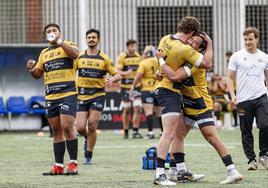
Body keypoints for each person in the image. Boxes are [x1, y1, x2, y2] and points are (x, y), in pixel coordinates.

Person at [156, 31, 242, 184]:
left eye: (195, 42)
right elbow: (167, 72)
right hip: (188, 103)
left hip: (200, 104)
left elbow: (175, 75)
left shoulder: (196, 63)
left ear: (200, 50)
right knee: (178, 134)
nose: (190, 42)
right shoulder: (185, 55)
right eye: (191, 39)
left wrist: (161, 61)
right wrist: (159, 71)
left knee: (211, 137)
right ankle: (177, 171)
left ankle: (232, 170)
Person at [153, 16, 213, 186]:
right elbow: (207, 63)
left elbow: (160, 62)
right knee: (169, 133)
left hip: (166, 88)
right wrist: (209, 44)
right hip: (169, 91)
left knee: (178, 133)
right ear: (191, 32)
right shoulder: (184, 49)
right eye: (193, 36)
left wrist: (160, 65)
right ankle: (159, 175)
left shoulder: (165, 38)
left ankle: (180, 171)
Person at [26, 23, 79, 175]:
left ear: (59, 32)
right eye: (48, 31)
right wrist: (31, 69)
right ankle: (58, 166)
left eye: (54, 30)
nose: (51, 32)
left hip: (68, 94)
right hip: (51, 96)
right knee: (56, 130)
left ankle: (73, 164)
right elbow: (38, 74)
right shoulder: (44, 53)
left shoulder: (68, 45)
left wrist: (60, 41)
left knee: (67, 126)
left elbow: (75, 54)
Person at [75, 29, 121, 164]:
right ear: (86, 39)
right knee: (80, 127)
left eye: (93, 37)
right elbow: (71, 71)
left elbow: (117, 74)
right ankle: (87, 138)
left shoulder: (104, 58)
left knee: (92, 124)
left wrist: (113, 80)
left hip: (98, 95)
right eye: (89, 37)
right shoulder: (79, 57)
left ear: (98, 40)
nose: (91, 39)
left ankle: (88, 154)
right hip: (82, 95)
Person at [227, 27, 268, 170]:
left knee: (265, 125)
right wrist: (233, 96)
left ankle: (264, 155)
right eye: (245, 39)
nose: (248, 42)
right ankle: (251, 160)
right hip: (243, 100)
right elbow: (230, 78)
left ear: (257, 39)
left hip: (261, 96)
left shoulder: (264, 57)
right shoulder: (236, 56)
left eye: (250, 39)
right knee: (246, 130)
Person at [130, 45, 163, 139]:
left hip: (147, 89)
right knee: (159, 112)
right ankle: (162, 132)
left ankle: (150, 132)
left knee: (148, 112)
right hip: (157, 88)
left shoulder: (143, 62)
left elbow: (138, 76)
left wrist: (133, 87)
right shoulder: (158, 61)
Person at [116, 39, 143, 139]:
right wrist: (126, 73)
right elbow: (117, 71)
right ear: (127, 47)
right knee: (126, 109)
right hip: (125, 87)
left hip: (136, 86)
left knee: (138, 107)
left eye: (135, 46)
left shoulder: (138, 56)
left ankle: (135, 131)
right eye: (131, 46)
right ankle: (126, 131)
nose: (133, 48)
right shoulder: (122, 56)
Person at [225, 51, 239, 127]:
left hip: (235, 88)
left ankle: (237, 122)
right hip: (232, 88)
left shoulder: (234, 64)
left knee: (237, 105)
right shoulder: (229, 65)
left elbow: (232, 78)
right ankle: (236, 123)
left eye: (228, 57)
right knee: (233, 105)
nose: (227, 59)